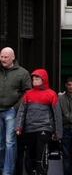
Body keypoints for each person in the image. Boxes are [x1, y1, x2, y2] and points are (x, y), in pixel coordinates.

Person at [14, 69, 62, 175]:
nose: (34, 81)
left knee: (41, 156)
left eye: (37, 78)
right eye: (33, 79)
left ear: (43, 79)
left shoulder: (51, 94)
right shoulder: (28, 94)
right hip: (29, 130)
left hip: (44, 129)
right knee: (29, 157)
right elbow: (22, 111)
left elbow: (57, 115)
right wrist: (18, 127)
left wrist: (58, 133)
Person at [0, 47, 31, 175]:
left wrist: (16, 107)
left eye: (5, 57)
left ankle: (8, 172)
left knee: (9, 142)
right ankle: (2, 169)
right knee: (0, 144)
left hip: (11, 111)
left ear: (13, 57)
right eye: (1, 56)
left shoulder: (22, 73)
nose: (2, 59)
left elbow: (28, 91)